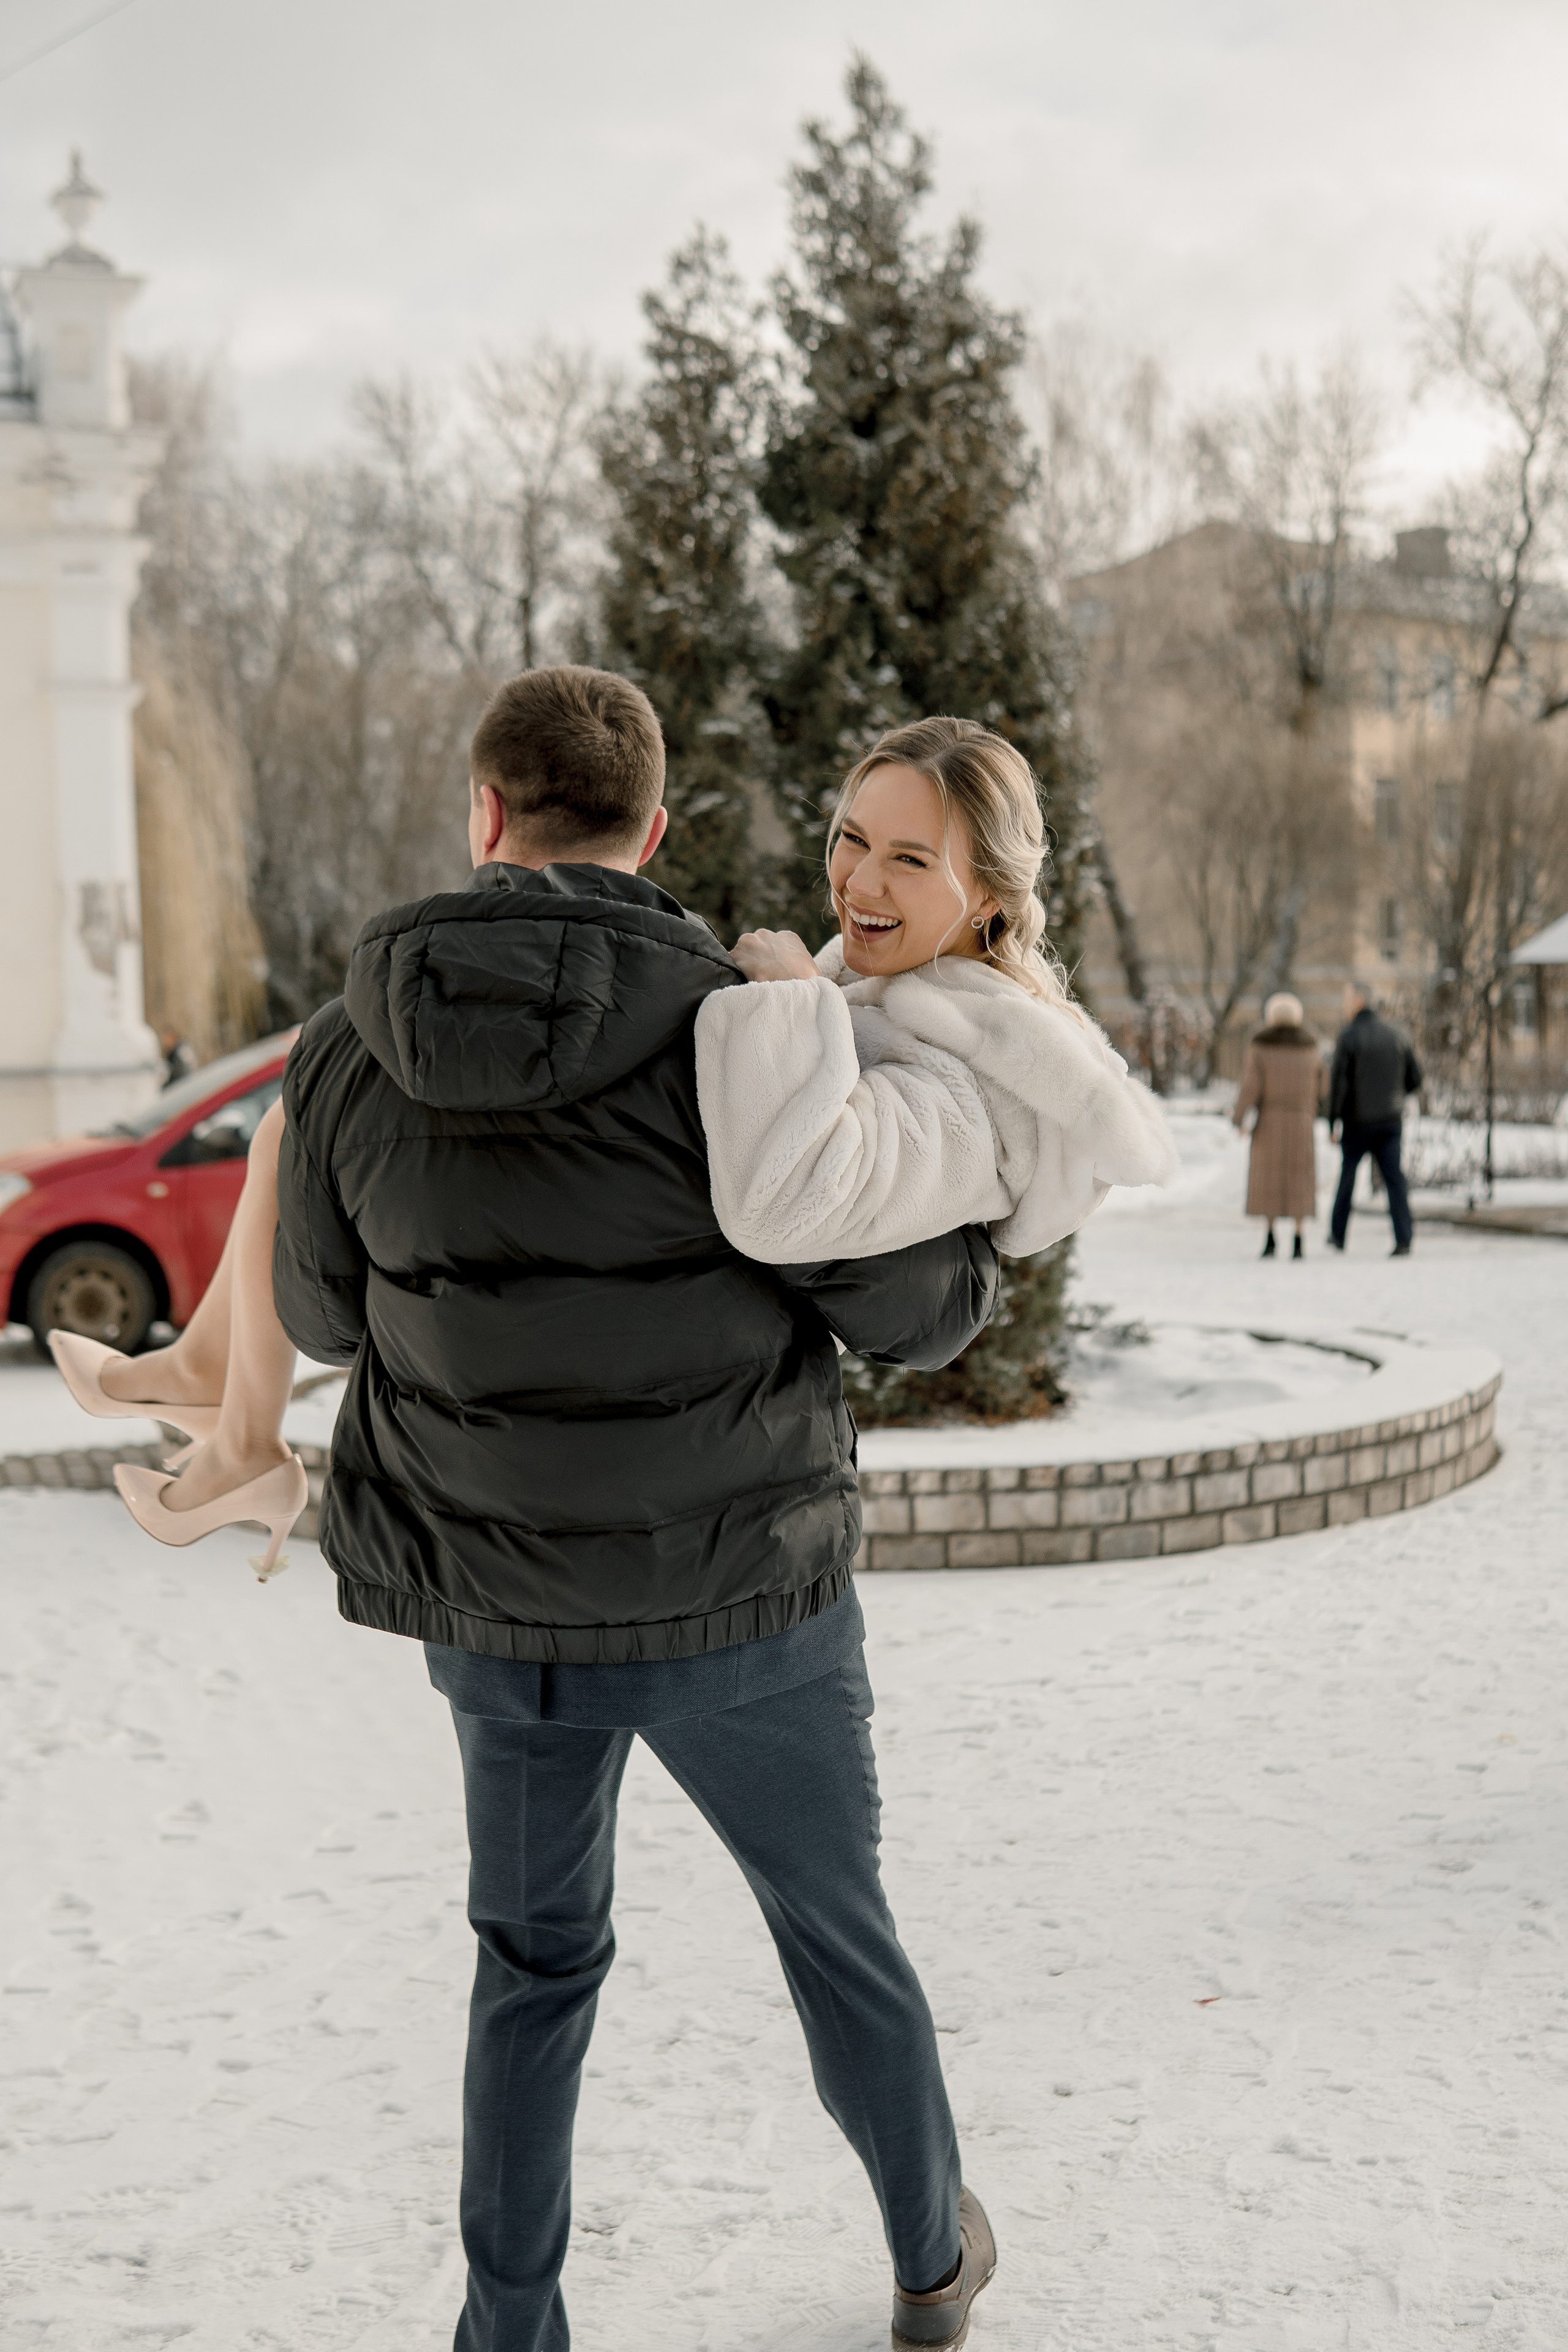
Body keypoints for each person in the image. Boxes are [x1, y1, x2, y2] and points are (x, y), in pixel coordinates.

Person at [55, 666, 1010, 2352]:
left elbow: (332, 1323)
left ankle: (512, 2333)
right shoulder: (745, 1023)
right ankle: (934, 2259)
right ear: (655, 830)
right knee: (836, 1935)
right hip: (753, 1609)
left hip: (500, 1622)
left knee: (534, 1966)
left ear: (484, 817)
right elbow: (906, 1315)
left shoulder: (349, 1052)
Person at [696, 716, 1177, 1261]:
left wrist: (790, 1007)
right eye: (854, 839)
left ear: (992, 894)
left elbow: (782, 1208)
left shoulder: (987, 1089)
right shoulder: (863, 986)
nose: (858, 883)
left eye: (909, 860)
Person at [1328, 979, 1423, 1256]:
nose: (1344, 1004)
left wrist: (1333, 1119)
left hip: (1358, 1122)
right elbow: (1415, 1078)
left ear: (1359, 1000)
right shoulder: (1397, 1034)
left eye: (1347, 998)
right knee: (1395, 1180)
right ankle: (1404, 1238)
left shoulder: (1348, 1036)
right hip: (1391, 1121)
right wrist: (1393, 1095)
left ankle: (1338, 1235)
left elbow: (1340, 1083)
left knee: (1347, 1177)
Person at [1230, 990, 1325, 1259]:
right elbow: (1322, 1087)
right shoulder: (1311, 1048)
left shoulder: (1260, 1047)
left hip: (1269, 1120)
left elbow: (1251, 1086)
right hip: (1301, 1121)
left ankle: (1270, 1237)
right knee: (1300, 1179)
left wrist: (1239, 1118)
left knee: (1268, 1178)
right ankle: (1298, 1239)